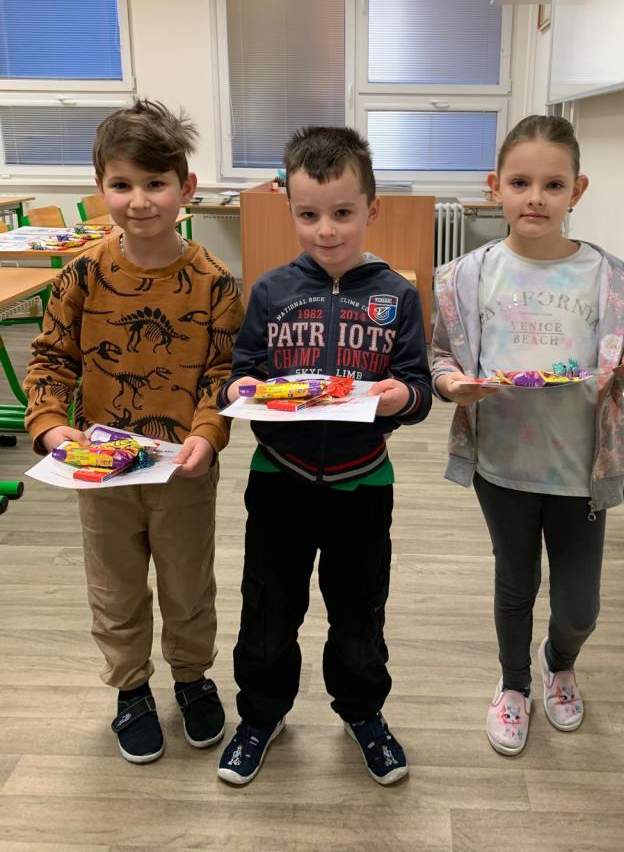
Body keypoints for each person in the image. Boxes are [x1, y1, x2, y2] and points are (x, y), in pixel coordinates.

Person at [431, 115, 624, 756]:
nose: (535, 197)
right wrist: (451, 384)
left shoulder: (609, 276)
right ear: (495, 187)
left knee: (580, 606)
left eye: (553, 185)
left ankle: (560, 660)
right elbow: (441, 355)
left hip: (581, 468)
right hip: (502, 462)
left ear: (576, 191)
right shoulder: (466, 276)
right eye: (520, 182)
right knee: (515, 583)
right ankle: (514, 685)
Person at [24, 99, 244, 764]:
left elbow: (223, 374)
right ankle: (130, 689)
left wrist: (208, 434)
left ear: (186, 188)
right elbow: (50, 359)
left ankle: (192, 677)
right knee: (114, 587)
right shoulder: (82, 274)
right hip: (101, 471)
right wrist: (50, 427)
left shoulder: (214, 283)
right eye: (122, 185)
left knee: (188, 585)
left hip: (182, 471)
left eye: (155, 183)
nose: (139, 201)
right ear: (101, 189)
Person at [216, 125, 431, 787]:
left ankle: (363, 712)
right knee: (267, 608)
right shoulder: (270, 291)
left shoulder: (397, 296)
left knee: (359, 609)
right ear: (290, 210)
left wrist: (401, 397)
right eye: (308, 215)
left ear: (372, 209)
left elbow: (419, 387)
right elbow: (241, 371)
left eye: (342, 213)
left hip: (362, 483)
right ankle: (261, 716)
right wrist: (240, 390)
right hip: (278, 479)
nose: (326, 230)